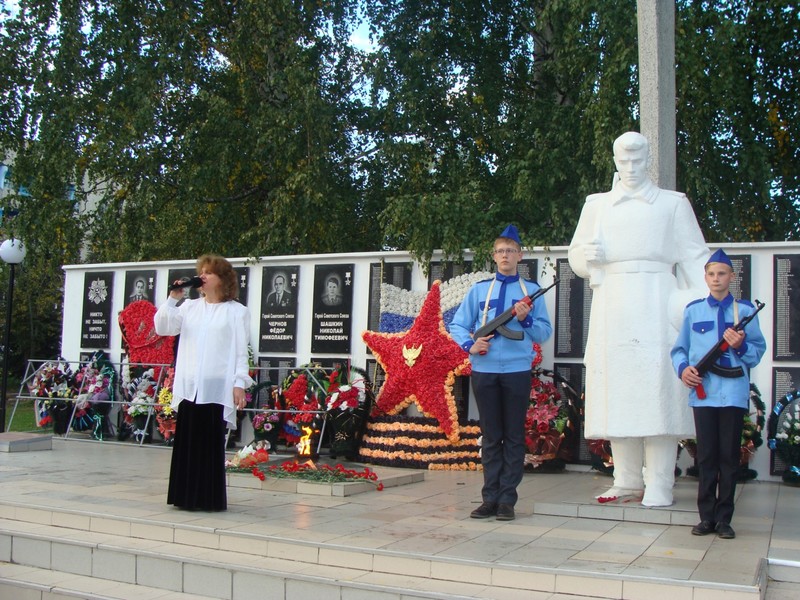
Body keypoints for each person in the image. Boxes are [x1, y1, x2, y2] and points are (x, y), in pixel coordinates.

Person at [567, 131, 709, 507]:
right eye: (623, 161)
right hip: (613, 305)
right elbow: (576, 254)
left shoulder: (672, 204)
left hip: (656, 302)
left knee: (657, 395)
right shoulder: (597, 205)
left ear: (648, 161)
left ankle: (660, 481)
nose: (630, 167)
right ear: (615, 162)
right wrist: (587, 257)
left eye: (637, 160)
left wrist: (705, 306)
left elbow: (696, 257)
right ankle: (626, 478)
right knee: (620, 394)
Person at [450, 224, 553, 521]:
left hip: (517, 371)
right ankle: (489, 499)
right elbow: (458, 325)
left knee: (514, 435)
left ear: (520, 256)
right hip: (484, 371)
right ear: (494, 256)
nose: (505, 255)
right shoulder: (480, 290)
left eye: (510, 250)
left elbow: (544, 332)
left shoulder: (530, 291)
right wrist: (471, 345)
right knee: (492, 436)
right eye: (500, 251)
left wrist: (527, 320)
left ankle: (507, 500)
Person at [671, 249, 765, 539]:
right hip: (704, 394)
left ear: (731, 277)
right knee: (707, 457)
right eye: (711, 274)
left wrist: (740, 346)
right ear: (705, 277)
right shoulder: (694, 311)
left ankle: (725, 519)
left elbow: (757, 353)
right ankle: (706, 518)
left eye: (721, 273)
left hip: (733, 394)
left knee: (729, 458)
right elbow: (679, 350)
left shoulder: (745, 312)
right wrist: (684, 369)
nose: (716, 279)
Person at [154, 254, 254, 511]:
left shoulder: (237, 312)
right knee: (187, 442)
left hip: (215, 385)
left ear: (222, 279)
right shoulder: (189, 307)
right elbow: (163, 327)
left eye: (209, 272)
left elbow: (241, 351)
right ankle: (184, 496)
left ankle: (207, 498)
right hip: (190, 385)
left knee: (208, 443)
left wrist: (239, 382)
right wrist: (173, 299)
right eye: (202, 271)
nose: (203, 276)